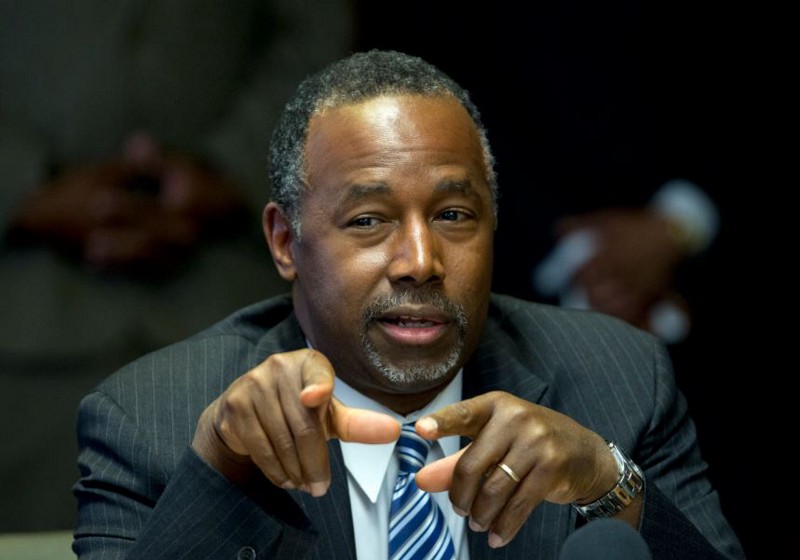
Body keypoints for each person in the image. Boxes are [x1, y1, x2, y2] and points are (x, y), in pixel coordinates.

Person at [72, 50, 745, 559]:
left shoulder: (620, 383)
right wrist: (219, 472)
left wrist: (608, 483)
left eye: (455, 215)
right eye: (369, 221)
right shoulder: (148, 419)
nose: (421, 262)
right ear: (285, 241)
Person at [0, 0, 353, 531]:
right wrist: (21, 185)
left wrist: (235, 170)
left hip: (239, 292)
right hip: (24, 322)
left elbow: (313, 28)